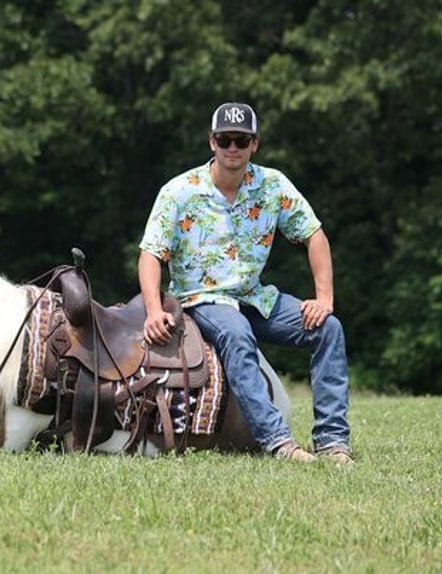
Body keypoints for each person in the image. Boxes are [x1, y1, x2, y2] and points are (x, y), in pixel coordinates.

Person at [138, 102, 352, 464]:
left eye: (242, 140)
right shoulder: (179, 192)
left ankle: (332, 441)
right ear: (212, 143)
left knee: (328, 328)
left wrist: (324, 298)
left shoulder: (273, 185)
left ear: (255, 144)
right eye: (225, 139)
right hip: (201, 300)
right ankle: (279, 442)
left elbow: (314, 234)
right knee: (236, 332)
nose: (233, 148)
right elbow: (150, 254)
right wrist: (153, 310)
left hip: (255, 298)